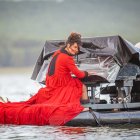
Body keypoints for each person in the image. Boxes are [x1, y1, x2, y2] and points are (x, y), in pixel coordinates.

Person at [0, 32, 91, 126]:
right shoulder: (67, 58)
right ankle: (85, 108)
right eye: (75, 47)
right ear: (68, 45)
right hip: (61, 85)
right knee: (81, 85)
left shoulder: (57, 53)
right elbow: (80, 75)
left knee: (75, 82)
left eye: (78, 48)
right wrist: (88, 73)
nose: (76, 50)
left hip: (53, 83)